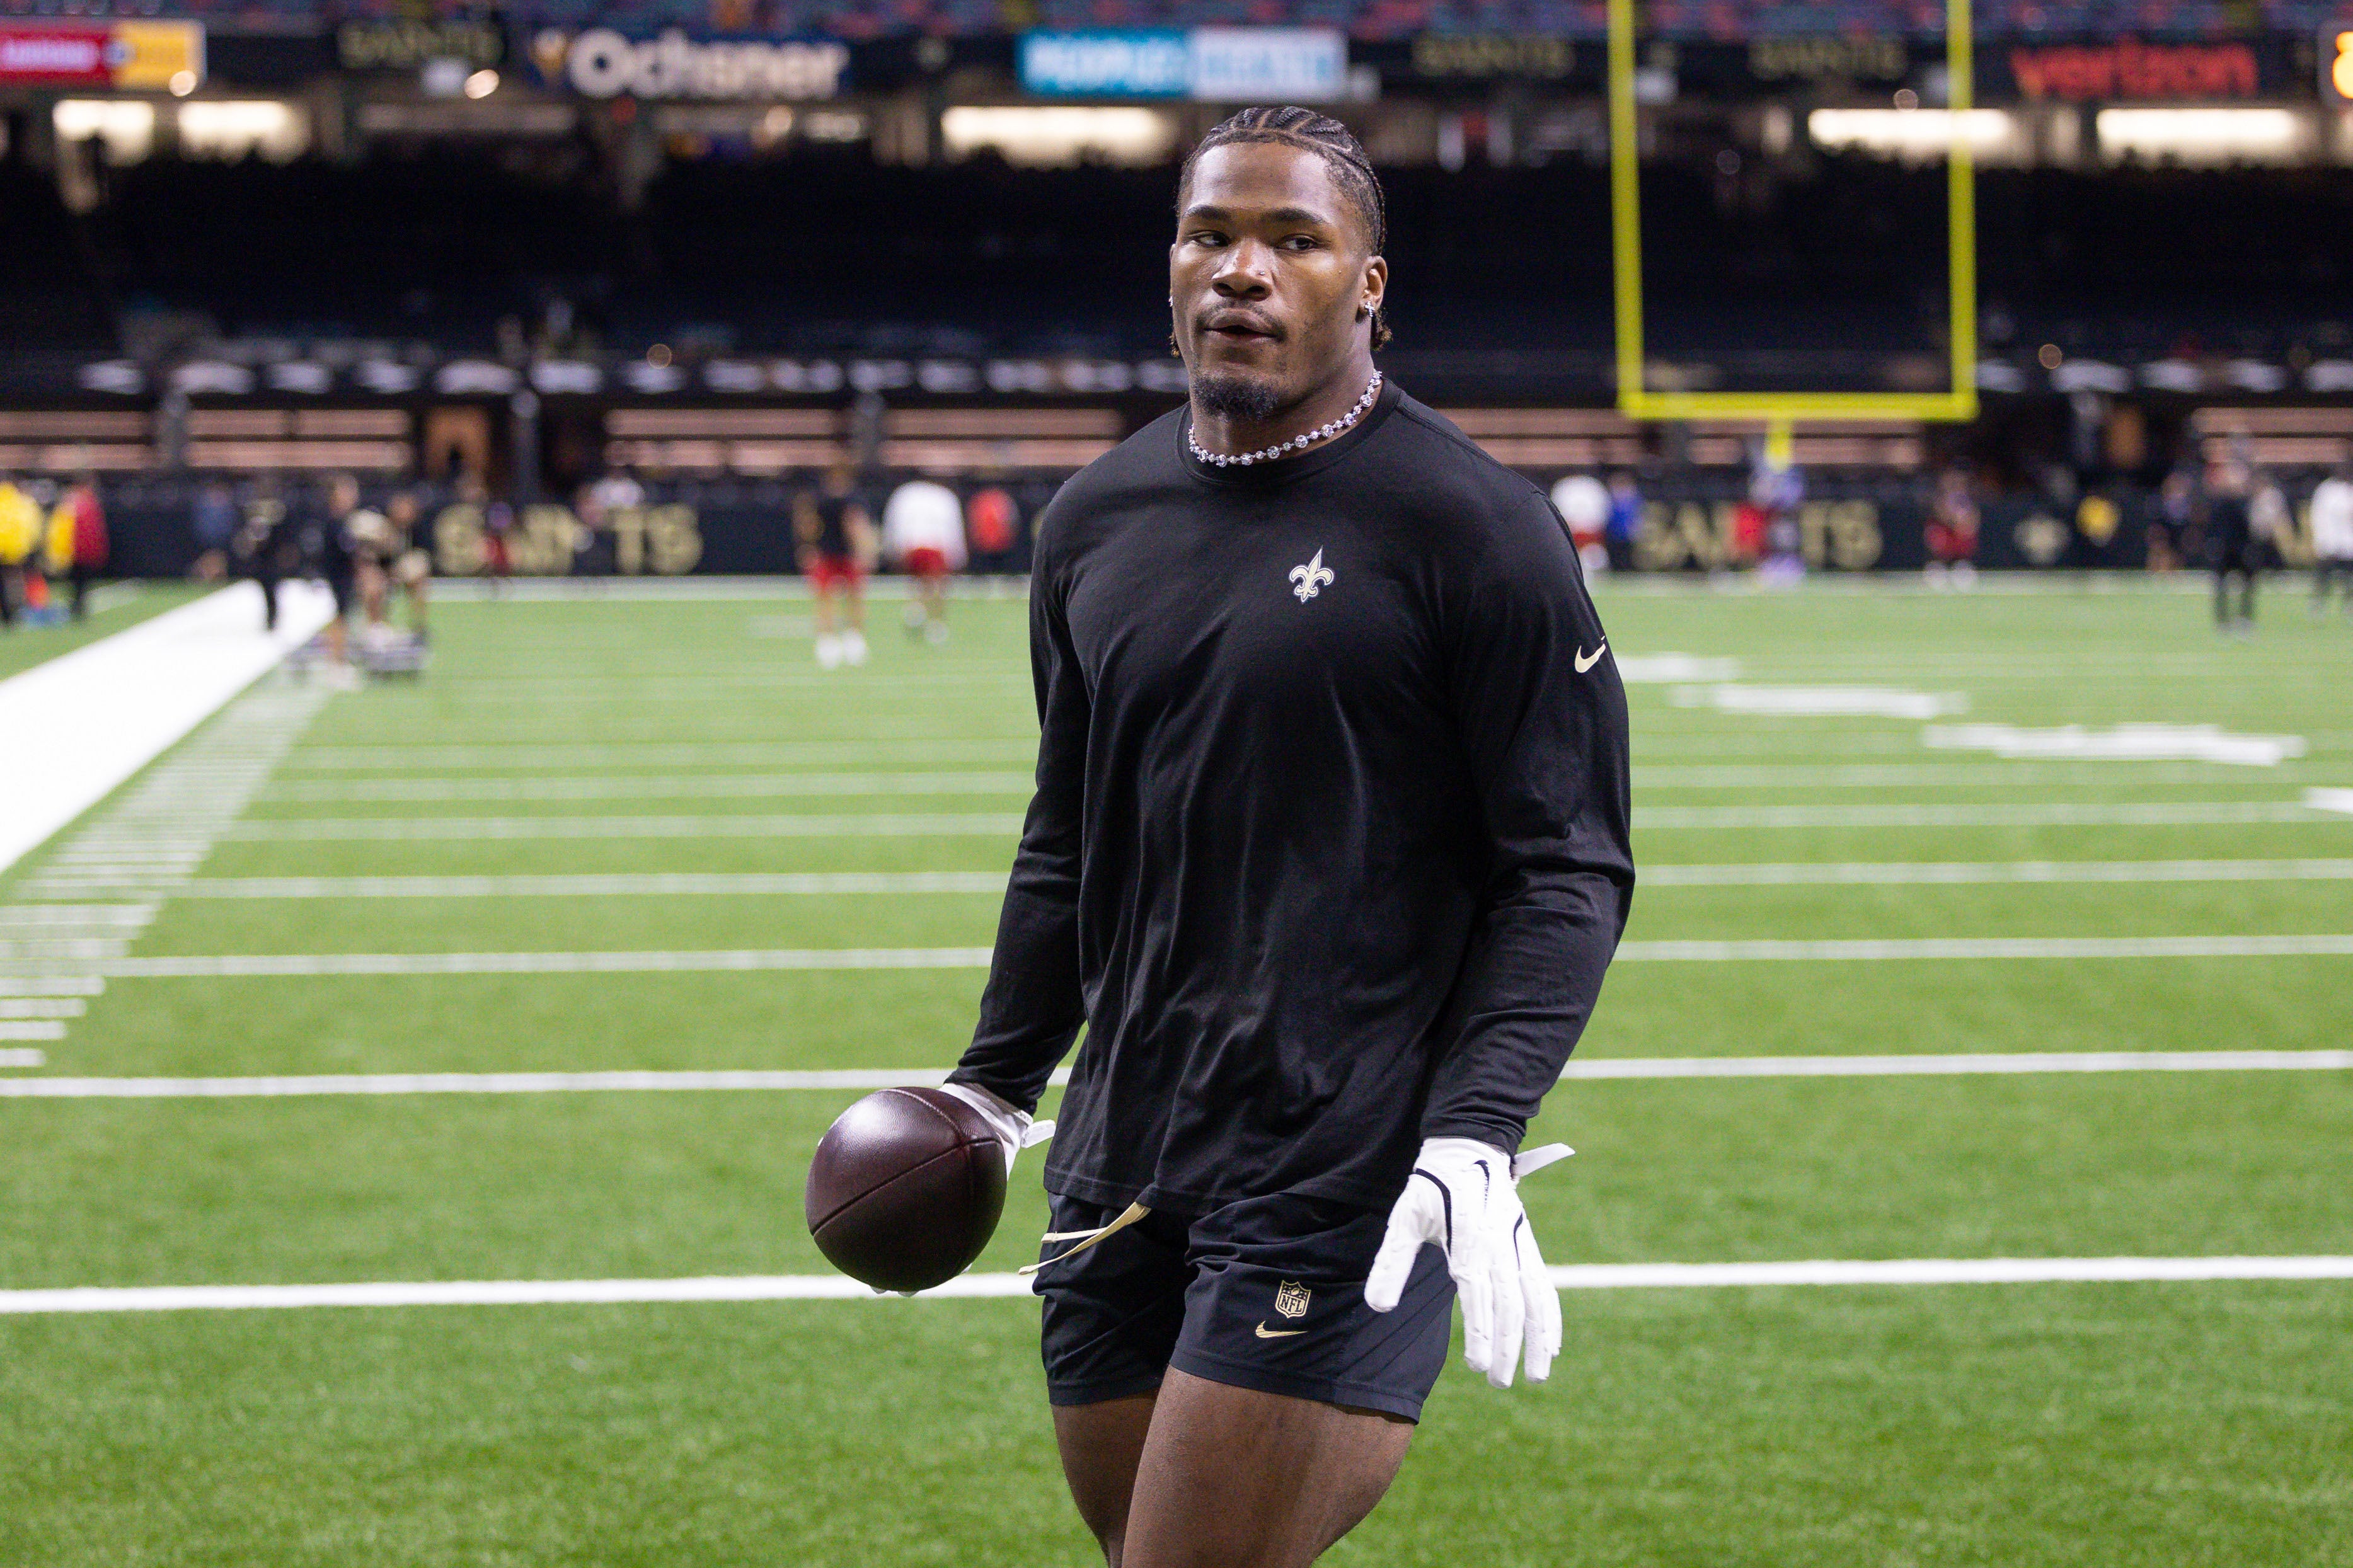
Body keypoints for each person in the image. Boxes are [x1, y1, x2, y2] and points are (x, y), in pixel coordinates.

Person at [935, 106, 1634, 1568]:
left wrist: (1473, 1131)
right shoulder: (1093, 519)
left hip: (1341, 1162)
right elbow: (1069, 837)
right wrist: (993, 1087)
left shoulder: (1473, 527)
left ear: (1365, 285)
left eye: (1292, 239)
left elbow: (1565, 866)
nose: (1241, 270)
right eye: (1209, 234)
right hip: (1119, 1151)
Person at [793, 462, 873, 668]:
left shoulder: (854, 499)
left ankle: (854, 638)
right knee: (825, 597)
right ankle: (827, 640)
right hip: (826, 554)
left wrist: (863, 552)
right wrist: (808, 547)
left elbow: (857, 526)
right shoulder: (820, 498)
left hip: (848, 555)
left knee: (855, 596)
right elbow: (808, 524)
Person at [882, 476, 969, 643]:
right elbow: (953, 527)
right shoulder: (944, 496)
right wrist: (958, 555)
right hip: (934, 545)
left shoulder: (906, 493)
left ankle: (917, 608)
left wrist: (893, 548)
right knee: (937, 585)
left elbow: (894, 522)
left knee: (918, 582)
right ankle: (934, 622)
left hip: (914, 544)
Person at [2206, 459, 2258, 636]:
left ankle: (2244, 619)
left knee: (2248, 585)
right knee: (2221, 586)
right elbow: (2212, 527)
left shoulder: (2245, 503)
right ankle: (2223, 621)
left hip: (2241, 549)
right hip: (2224, 550)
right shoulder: (2220, 503)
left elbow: (2250, 528)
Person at [46, 473, 106, 621]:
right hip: (76, 551)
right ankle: (76, 608)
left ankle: (77, 607)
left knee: (79, 584)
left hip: (80, 551)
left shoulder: (80, 502)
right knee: (78, 584)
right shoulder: (75, 503)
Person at [1924, 467, 1979, 589]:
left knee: (1965, 535)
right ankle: (1938, 569)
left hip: (1960, 531)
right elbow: (1940, 513)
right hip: (1946, 529)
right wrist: (1952, 521)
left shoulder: (1967, 499)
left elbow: (1973, 517)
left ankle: (1961, 566)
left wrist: (1964, 525)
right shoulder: (1942, 498)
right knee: (1937, 534)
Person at [2312, 461, 2353, 615]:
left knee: (2349, 577)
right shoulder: (2326, 490)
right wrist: (2321, 538)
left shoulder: (2349, 490)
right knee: (2324, 576)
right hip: (2329, 540)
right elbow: (2318, 515)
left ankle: (2349, 605)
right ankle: (2318, 604)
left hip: (2348, 541)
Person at [0, 473, 37, 630]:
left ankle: (9, 615)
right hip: (15, 552)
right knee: (14, 584)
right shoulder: (19, 501)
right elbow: (27, 525)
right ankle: (15, 615)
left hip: (6, 550)